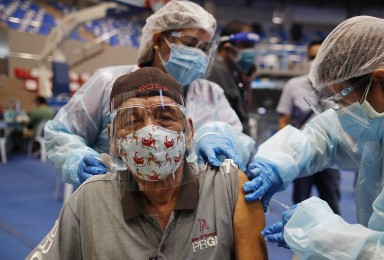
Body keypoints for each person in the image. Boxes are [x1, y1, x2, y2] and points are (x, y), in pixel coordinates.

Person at [27, 67, 267, 259]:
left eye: (165, 117)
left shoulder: (227, 187)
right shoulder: (89, 200)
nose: (150, 132)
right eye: (132, 120)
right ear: (113, 139)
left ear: (189, 131)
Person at [243, 16, 384, 258]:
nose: (341, 113)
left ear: (383, 83)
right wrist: (277, 162)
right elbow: (326, 134)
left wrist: (327, 238)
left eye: (342, 102)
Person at [45, 1, 255, 185]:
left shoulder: (211, 93)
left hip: (192, 213)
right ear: (157, 41)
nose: (198, 54)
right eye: (190, 44)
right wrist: (79, 159)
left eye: (204, 48)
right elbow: (62, 133)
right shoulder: (108, 83)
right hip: (114, 202)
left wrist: (218, 138)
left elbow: (241, 142)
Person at [276, 40, 341, 214]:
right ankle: (297, 237)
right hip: (302, 154)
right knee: (300, 202)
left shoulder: (340, 85)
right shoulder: (293, 85)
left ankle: (332, 239)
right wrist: (286, 150)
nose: (316, 60)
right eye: (313, 57)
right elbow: (284, 119)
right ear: (307, 58)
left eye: (321, 56)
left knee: (332, 201)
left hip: (332, 154)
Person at [206, 20, 260, 136]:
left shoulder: (233, 71)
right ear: (227, 47)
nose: (250, 51)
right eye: (246, 46)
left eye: (252, 46)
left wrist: (247, 84)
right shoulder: (216, 71)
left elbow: (243, 109)